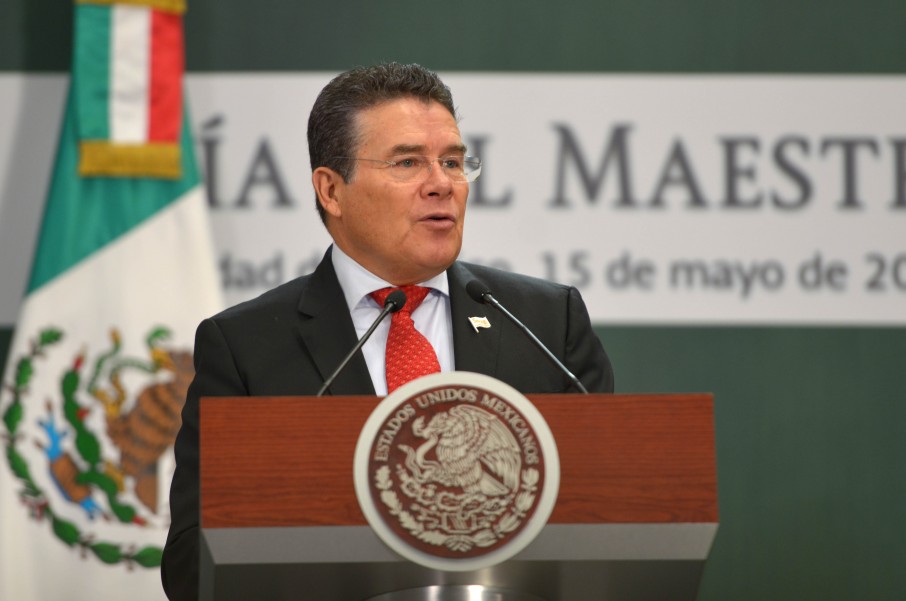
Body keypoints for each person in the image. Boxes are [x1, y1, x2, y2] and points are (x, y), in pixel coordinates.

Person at [161, 62, 613, 601]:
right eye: (408, 162)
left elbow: (611, 519)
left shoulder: (546, 322)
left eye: (453, 162)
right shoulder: (248, 347)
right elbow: (192, 563)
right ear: (331, 190)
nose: (441, 184)